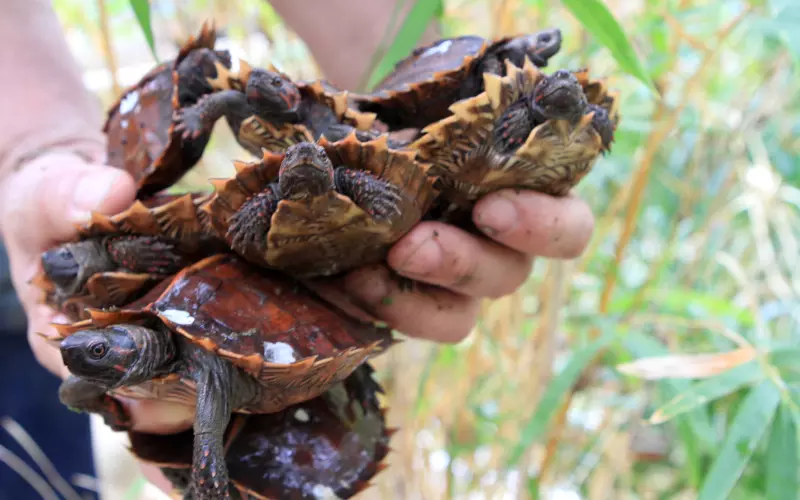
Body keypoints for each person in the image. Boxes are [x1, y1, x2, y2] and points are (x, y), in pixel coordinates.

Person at [0, 0, 595, 495]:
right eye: (99, 351)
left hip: (285, 313)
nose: (91, 354)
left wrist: (432, 127)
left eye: (99, 348)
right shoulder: (151, 340)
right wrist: (31, 150)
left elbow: (387, 106)